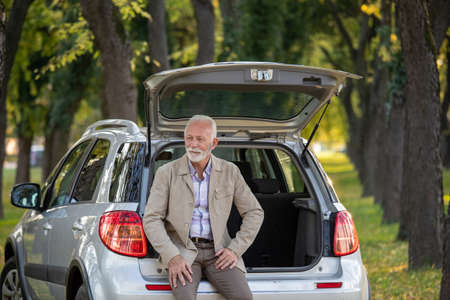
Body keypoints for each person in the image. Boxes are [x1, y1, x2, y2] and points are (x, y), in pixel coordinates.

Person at [143, 115, 264, 300]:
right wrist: (172, 256)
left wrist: (235, 249)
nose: (193, 144)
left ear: (214, 143)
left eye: (200, 139)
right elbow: (151, 219)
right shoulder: (166, 173)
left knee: (244, 297)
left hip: (219, 252)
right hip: (183, 252)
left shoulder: (230, 171)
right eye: (189, 138)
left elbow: (254, 212)